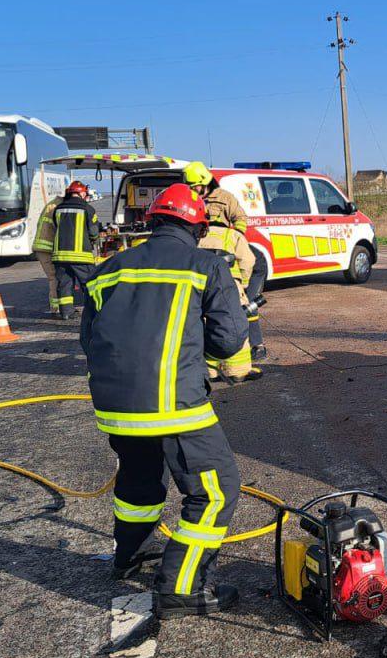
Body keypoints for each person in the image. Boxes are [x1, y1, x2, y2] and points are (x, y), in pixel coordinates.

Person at [80, 183, 249, 617]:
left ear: (152, 223)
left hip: (114, 407)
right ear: (197, 226)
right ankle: (180, 585)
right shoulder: (205, 266)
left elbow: (88, 340)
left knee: (138, 482)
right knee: (216, 491)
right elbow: (230, 341)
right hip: (176, 404)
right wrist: (199, 358)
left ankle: (129, 554)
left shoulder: (108, 269)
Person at [183, 161, 264, 356]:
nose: (194, 191)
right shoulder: (192, 200)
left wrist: (235, 240)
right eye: (190, 187)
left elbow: (240, 219)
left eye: (195, 187)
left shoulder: (225, 198)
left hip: (227, 254)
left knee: (245, 302)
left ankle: (256, 345)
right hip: (203, 253)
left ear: (205, 182)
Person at [199, 213, 258, 383]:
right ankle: (238, 371)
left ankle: (211, 372)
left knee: (206, 327)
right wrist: (244, 283)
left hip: (202, 287)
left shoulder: (197, 235)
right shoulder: (232, 235)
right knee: (235, 325)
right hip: (230, 288)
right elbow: (248, 260)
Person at [51, 181, 100, 318]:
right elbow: (94, 231)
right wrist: (95, 240)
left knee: (64, 284)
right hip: (81, 256)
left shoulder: (58, 208)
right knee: (90, 283)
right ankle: (95, 311)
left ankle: (66, 312)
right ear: (82, 193)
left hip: (60, 255)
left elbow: (56, 226)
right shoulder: (88, 209)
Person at [32, 192, 63, 315]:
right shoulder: (58, 206)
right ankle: (55, 308)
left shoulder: (53, 204)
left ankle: (58, 306)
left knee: (55, 277)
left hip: (44, 246)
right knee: (54, 277)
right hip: (46, 247)